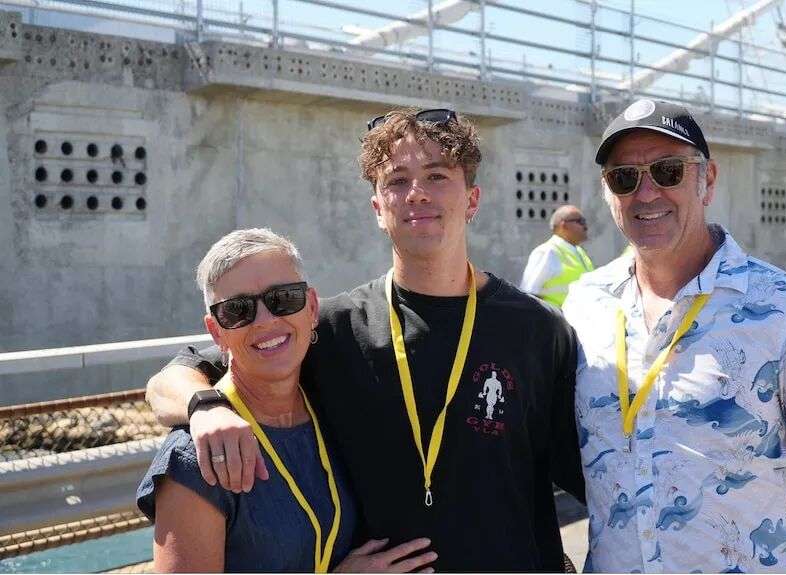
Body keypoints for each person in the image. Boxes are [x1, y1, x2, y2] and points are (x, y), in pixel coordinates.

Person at [145, 109, 584, 572]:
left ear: (472, 199)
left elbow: (591, 470)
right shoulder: (331, 329)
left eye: (436, 175)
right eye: (397, 181)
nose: (416, 193)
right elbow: (174, 375)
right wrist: (205, 407)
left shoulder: (539, 329)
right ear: (377, 208)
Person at [563, 98, 786, 573]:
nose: (646, 194)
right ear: (607, 192)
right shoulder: (584, 306)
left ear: (708, 181)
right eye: (625, 178)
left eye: (668, 171)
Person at [136, 229, 436, 573]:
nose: (266, 320)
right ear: (217, 331)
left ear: (311, 307)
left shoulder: (333, 410)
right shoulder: (200, 455)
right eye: (238, 310)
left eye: (284, 298)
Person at [520, 205, 594, 307]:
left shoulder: (580, 252)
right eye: (580, 221)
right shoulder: (547, 251)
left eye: (584, 221)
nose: (585, 226)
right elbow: (529, 293)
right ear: (563, 225)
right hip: (557, 320)